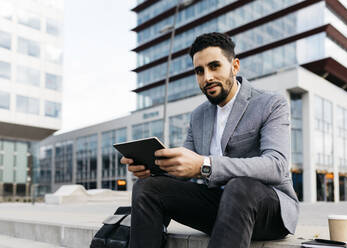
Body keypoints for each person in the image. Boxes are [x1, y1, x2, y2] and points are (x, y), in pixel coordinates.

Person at [120, 32, 299, 248]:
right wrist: (153, 168)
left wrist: (205, 166)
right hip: (219, 208)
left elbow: (276, 166)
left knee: (239, 187)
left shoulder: (270, 103)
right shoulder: (198, 116)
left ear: (234, 66)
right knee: (147, 187)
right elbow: (184, 168)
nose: (207, 77)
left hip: (268, 210)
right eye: (199, 71)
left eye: (214, 66)